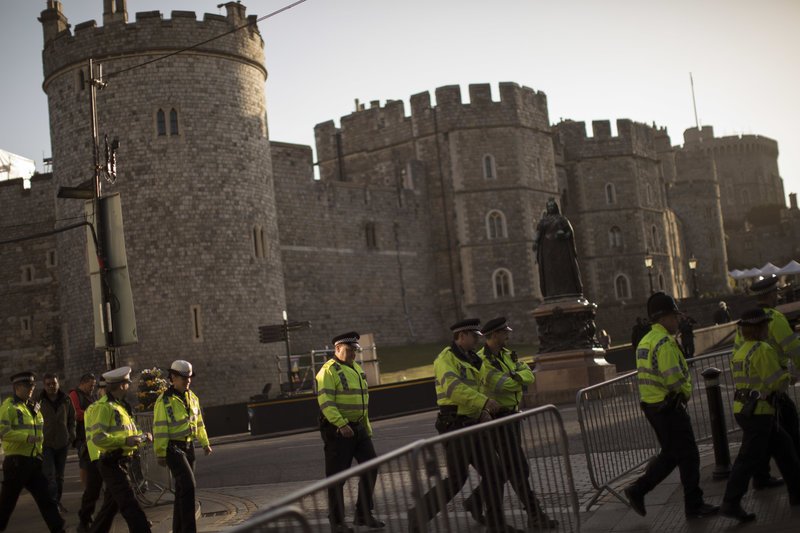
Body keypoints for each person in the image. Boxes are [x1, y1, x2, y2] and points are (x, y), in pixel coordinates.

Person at [407, 319, 522, 533]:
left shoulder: (471, 359)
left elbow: (476, 389)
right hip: (455, 425)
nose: (478, 339)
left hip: (474, 424)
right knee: (457, 478)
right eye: (474, 336)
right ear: (462, 336)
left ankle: (496, 524)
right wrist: (484, 403)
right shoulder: (446, 359)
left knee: (496, 472)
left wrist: (482, 411)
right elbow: (454, 390)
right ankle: (418, 513)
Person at [624, 292, 719, 520]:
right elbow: (674, 380)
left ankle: (639, 490)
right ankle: (693, 505)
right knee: (690, 456)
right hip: (669, 407)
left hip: (651, 406)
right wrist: (685, 393)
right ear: (664, 318)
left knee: (672, 454)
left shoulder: (645, 341)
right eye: (674, 316)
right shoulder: (664, 343)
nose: (677, 321)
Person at [466, 317, 558, 529]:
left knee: (510, 467)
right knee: (518, 467)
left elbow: (529, 376)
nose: (508, 334)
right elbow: (503, 385)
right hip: (498, 420)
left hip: (512, 417)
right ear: (494, 335)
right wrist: (516, 378)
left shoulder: (508, 355)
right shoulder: (483, 361)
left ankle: (476, 500)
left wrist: (514, 375)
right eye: (504, 332)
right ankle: (535, 515)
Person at [720, 308, 800, 522]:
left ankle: (796, 492)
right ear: (758, 328)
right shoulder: (762, 350)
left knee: (785, 449)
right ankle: (731, 502)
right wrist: (788, 377)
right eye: (764, 325)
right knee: (747, 459)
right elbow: (775, 381)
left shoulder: (740, 351)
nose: (767, 328)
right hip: (760, 412)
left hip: (744, 410)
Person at [734, 274, 800, 487]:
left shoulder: (742, 325)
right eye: (776, 293)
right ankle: (795, 478)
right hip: (774, 382)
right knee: (788, 430)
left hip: (752, 387)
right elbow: (793, 349)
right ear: (772, 294)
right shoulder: (775, 319)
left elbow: (737, 353)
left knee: (766, 436)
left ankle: (761, 477)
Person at [316, 332, 384, 533]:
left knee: (371, 467)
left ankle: (363, 514)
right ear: (337, 348)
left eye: (355, 349)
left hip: (359, 429)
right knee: (337, 477)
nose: (354, 353)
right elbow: (326, 402)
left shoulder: (356, 368)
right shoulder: (328, 371)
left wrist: (366, 428)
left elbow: (361, 403)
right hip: (338, 431)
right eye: (349, 349)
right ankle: (337, 522)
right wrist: (341, 424)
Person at [86, 366, 152, 533]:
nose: (129, 386)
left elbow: (130, 433)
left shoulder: (120, 407)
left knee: (109, 509)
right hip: (112, 462)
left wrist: (143, 437)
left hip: (121, 462)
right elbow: (98, 438)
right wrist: (125, 440)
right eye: (127, 383)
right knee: (130, 506)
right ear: (122, 385)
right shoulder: (105, 407)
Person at [0, 372, 66, 533]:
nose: (31, 389)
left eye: (33, 386)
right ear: (17, 387)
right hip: (16, 462)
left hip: (33, 461)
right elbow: (3, 432)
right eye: (27, 386)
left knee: (47, 500)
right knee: (6, 504)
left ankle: (59, 530)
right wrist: (26, 438)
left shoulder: (33, 406)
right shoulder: (9, 407)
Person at [153, 360, 212, 533]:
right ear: (173, 378)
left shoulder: (192, 398)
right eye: (184, 378)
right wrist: (161, 453)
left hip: (188, 447)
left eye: (189, 378)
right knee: (188, 485)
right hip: (173, 448)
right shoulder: (163, 401)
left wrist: (205, 443)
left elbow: (199, 423)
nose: (188, 381)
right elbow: (160, 429)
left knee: (181, 490)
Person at [40, 373, 76, 513]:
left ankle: (57, 502)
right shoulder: (39, 401)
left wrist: (71, 435)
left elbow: (72, 419)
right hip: (46, 443)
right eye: (48, 384)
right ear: (44, 385)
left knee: (59, 477)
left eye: (53, 383)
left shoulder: (66, 399)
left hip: (62, 442)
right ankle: (52, 505)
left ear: (58, 383)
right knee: (50, 476)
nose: (51, 386)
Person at [533, 197, 583, 298]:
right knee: (550, 272)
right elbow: (538, 233)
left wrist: (564, 235)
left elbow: (570, 232)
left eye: (552, 206)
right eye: (549, 206)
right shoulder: (543, 221)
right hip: (548, 250)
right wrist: (536, 242)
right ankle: (552, 292)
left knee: (564, 270)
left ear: (555, 207)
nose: (550, 208)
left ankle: (568, 291)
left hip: (561, 249)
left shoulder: (562, 219)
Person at [77, 379, 106, 533]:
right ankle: (84, 520)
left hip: (109, 456)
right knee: (92, 492)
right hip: (95, 456)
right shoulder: (95, 408)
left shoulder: (115, 406)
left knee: (119, 493)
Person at [69, 373, 97, 489]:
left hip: (91, 433)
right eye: (91, 385)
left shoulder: (91, 396)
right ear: (83, 383)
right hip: (81, 434)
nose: (92, 388)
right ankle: (86, 487)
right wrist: (92, 414)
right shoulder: (74, 395)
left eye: (94, 386)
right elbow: (76, 413)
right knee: (84, 462)